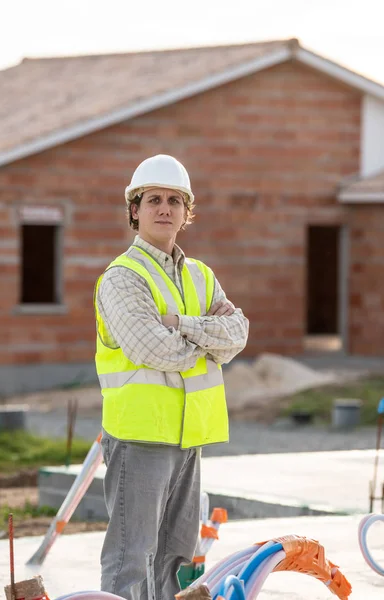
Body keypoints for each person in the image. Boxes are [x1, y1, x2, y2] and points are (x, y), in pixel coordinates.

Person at [94, 154, 249, 600]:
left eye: (175, 201)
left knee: (175, 559)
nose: (165, 209)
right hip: (140, 437)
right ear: (134, 211)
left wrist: (179, 323)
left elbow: (237, 336)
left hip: (188, 439)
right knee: (130, 559)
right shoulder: (122, 278)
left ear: (187, 212)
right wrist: (205, 335)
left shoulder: (201, 275)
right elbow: (153, 350)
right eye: (154, 200)